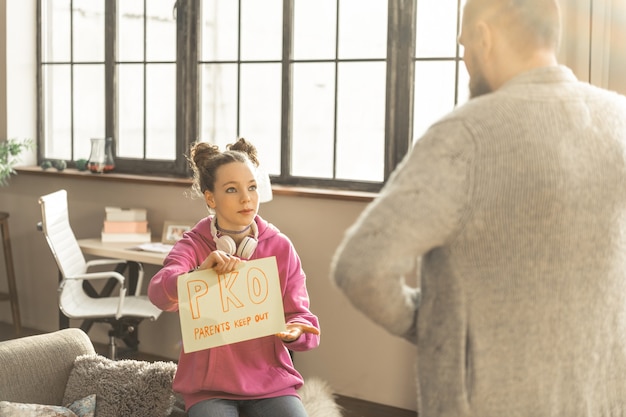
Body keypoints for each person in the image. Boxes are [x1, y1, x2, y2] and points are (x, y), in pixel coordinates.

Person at [330, 0, 626, 415]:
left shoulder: (466, 135)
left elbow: (361, 266)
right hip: (604, 395)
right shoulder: (619, 119)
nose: (466, 60)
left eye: (465, 45)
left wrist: (430, 321)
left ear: (485, 37)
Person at [148, 138, 320, 417]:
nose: (247, 198)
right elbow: (159, 293)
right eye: (232, 189)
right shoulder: (193, 244)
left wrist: (295, 331)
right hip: (209, 387)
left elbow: (303, 318)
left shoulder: (281, 247)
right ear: (211, 198)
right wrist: (198, 275)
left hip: (270, 382)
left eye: (252, 187)